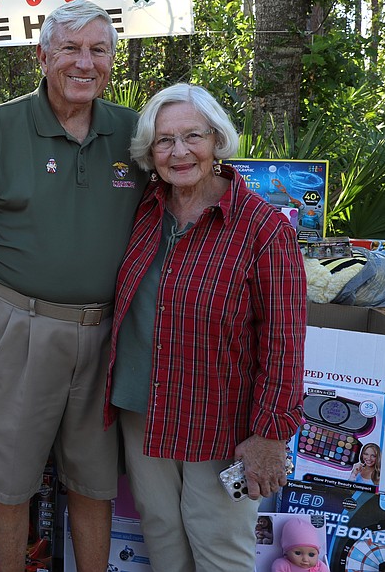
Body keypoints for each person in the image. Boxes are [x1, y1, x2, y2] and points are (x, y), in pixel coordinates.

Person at [0, 0, 146, 572]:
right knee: (8, 483)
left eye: (98, 49)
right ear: (43, 54)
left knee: (94, 480)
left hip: (106, 334)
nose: (85, 62)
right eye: (71, 48)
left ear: (112, 59)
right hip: (14, 329)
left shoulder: (136, 133)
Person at [104, 83, 307, 572]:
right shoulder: (143, 211)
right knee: (162, 537)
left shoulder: (261, 228)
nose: (179, 152)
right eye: (163, 141)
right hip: (141, 406)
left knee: (219, 548)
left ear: (216, 140)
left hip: (216, 416)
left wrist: (271, 435)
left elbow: (284, 342)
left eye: (192, 136)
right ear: (149, 153)